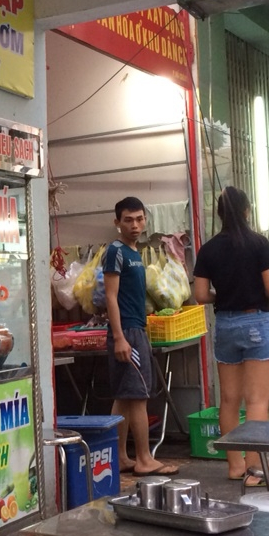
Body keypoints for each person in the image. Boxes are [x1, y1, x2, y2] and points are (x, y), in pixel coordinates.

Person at [192, 187, 269, 484]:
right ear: (247, 211)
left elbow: (201, 295)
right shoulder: (258, 243)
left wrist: (224, 294)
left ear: (219, 214)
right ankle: (255, 470)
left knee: (229, 400)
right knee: (256, 401)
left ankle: (235, 466)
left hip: (226, 325)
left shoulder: (208, 249)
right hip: (256, 322)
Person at [104, 196, 179, 476]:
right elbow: (110, 297)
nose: (134, 225)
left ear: (145, 220)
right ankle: (145, 459)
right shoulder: (115, 251)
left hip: (137, 329)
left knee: (125, 396)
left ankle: (120, 456)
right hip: (127, 332)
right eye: (128, 220)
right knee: (138, 396)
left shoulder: (135, 253)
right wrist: (119, 337)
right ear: (117, 222)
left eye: (139, 219)